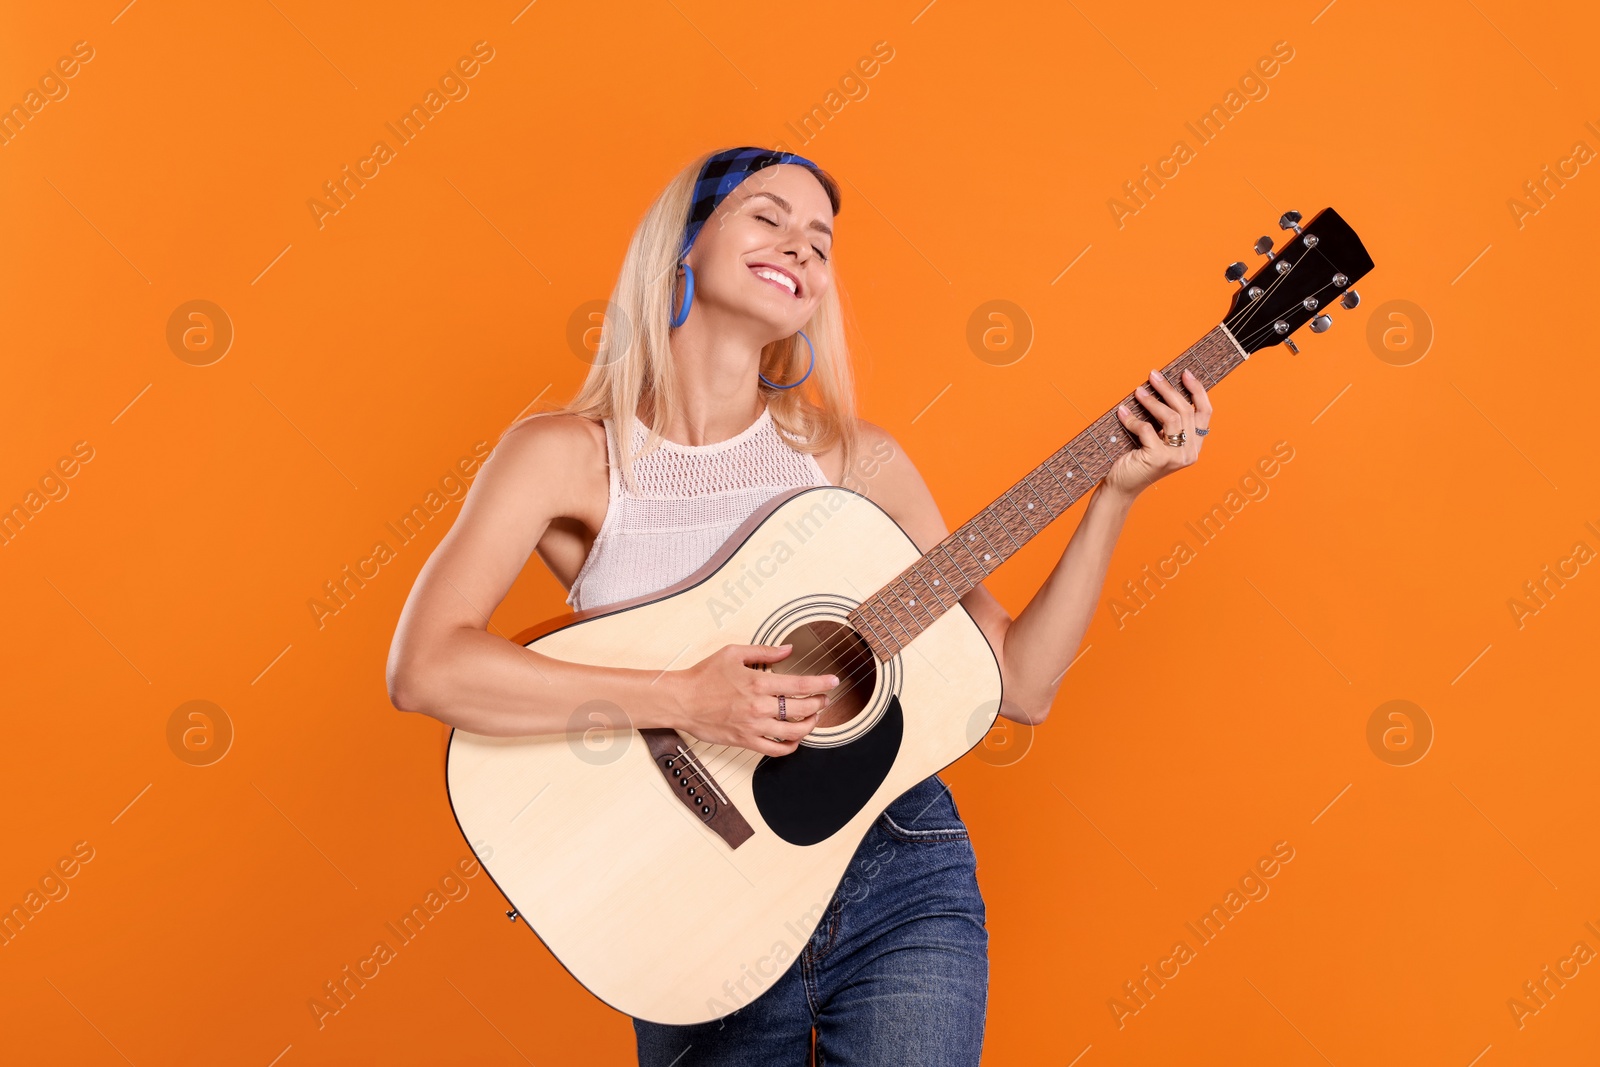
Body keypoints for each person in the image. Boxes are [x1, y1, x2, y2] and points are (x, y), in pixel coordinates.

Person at [386, 146, 1213, 1065]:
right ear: (685, 243)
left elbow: (1021, 683)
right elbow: (427, 667)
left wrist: (1116, 496)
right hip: (688, 900)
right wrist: (687, 699)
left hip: (899, 870)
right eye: (769, 216)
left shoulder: (858, 462)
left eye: (821, 241)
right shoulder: (568, 456)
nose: (802, 248)